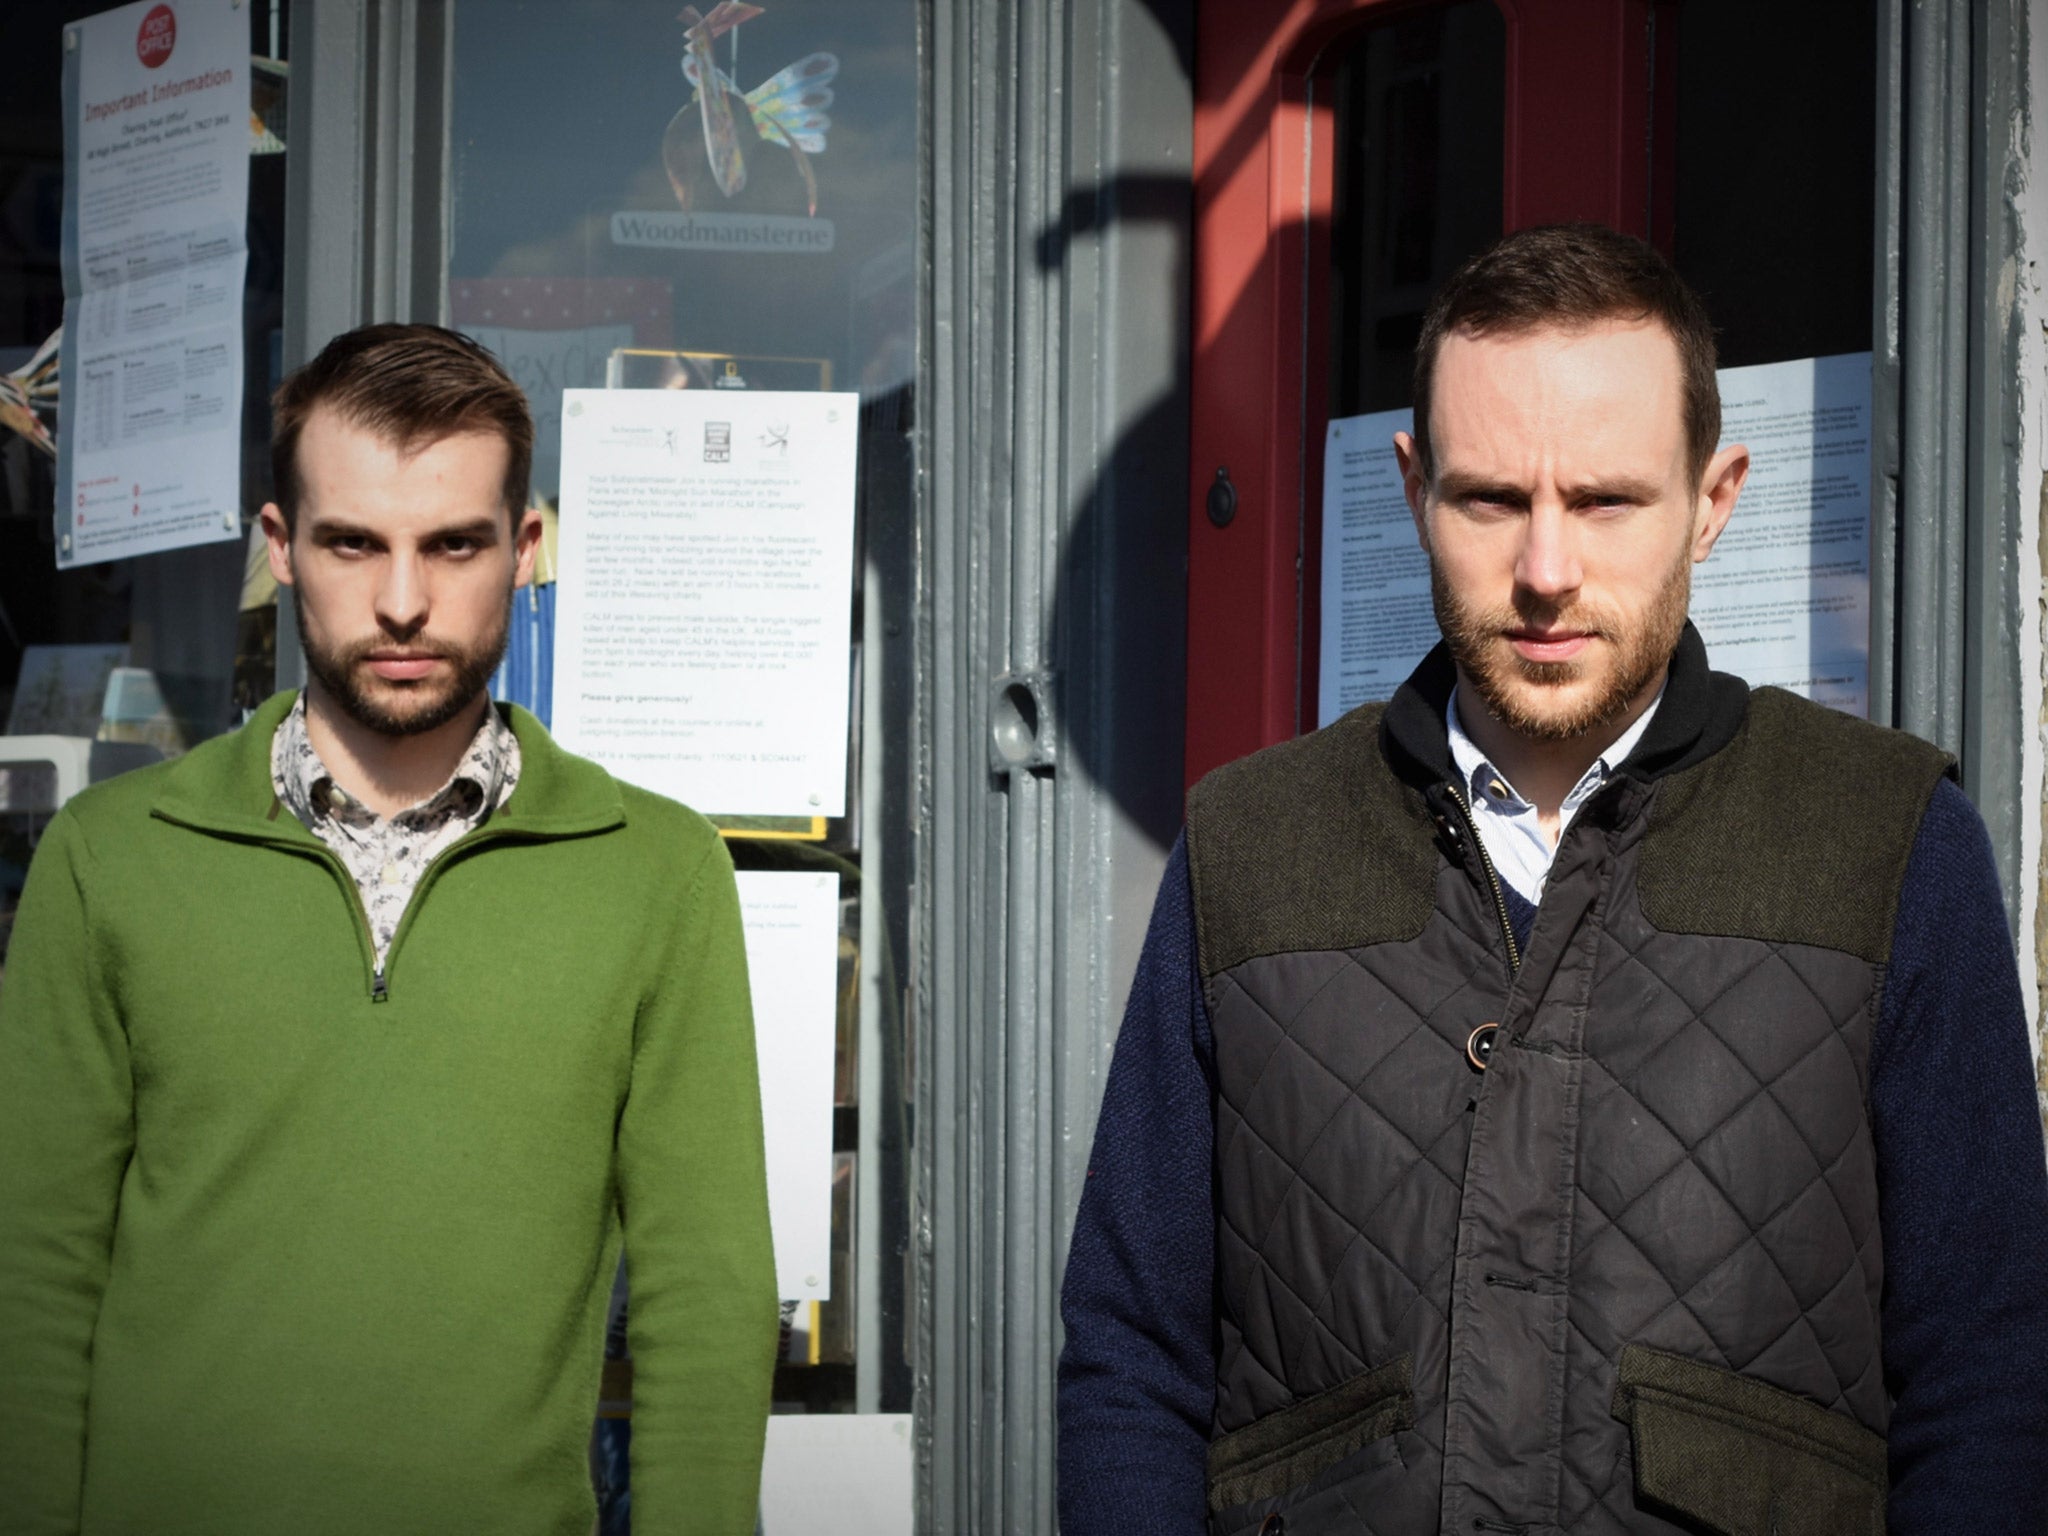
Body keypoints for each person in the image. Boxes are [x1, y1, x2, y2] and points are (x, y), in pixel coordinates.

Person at [1056, 225, 2048, 1534]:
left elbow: (1988, 1384)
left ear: (1716, 495)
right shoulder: (1252, 847)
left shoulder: (1889, 842)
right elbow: (1132, 1360)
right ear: (1413, 489)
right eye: (1489, 500)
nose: (1544, 571)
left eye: (1604, 500)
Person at [0, 324, 777, 1534]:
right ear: (281, 550)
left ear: (526, 551)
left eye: (452, 544)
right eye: (353, 543)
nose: (404, 601)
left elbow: (704, 1302)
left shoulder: (655, 872)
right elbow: (30, 1284)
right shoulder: (112, 859)